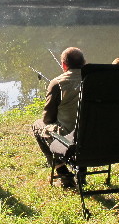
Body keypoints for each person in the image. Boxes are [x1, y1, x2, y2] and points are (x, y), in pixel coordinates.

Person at [32, 47, 86, 188]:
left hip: (72, 142)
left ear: (64, 65)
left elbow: (47, 119)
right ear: (84, 63)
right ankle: (82, 173)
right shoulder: (97, 80)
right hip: (98, 139)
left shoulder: (57, 83)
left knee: (38, 125)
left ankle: (64, 174)